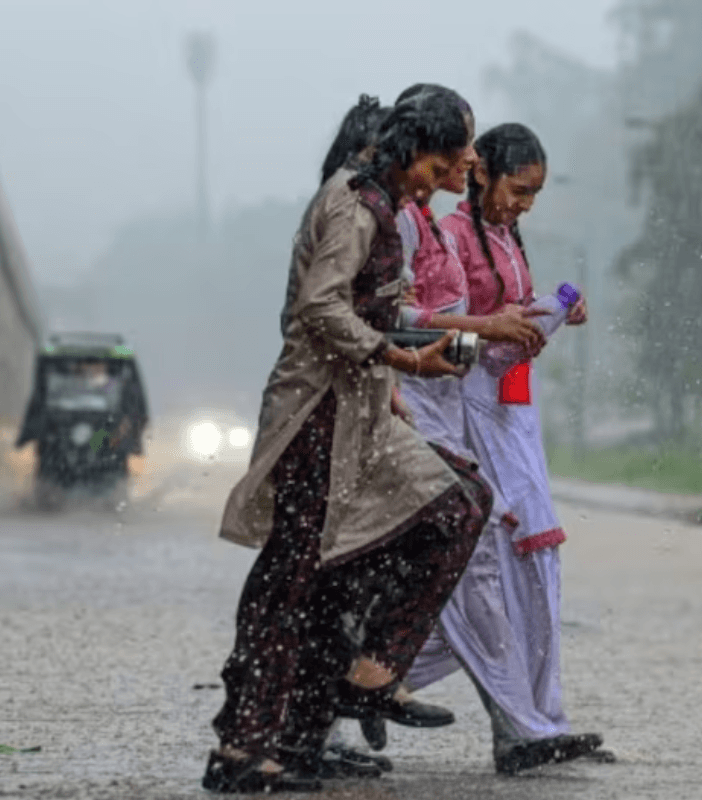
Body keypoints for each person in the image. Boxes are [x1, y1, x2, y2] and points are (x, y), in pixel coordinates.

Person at [203, 91, 492, 794]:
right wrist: (403, 362)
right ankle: (245, 749)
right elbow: (318, 307)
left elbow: (371, 309)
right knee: (293, 580)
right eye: (439, 162)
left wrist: (397, 371)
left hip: (361, 412)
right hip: (316, 418)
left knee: (455, 505)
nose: (443, 176)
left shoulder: (385, 205)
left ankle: (363, 680)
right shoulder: (356, 205)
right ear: (406, 149)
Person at [406, 122, 606, 774]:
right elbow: (440, 331)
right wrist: (497, 332)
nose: (524, 205)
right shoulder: (446, 237)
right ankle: (517, 722)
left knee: (533, 569)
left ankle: (540, 720)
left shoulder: (500, 237)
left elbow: (504, 318)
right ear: (481, 172)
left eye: (534, 196)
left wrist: (546, 311)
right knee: (494, 568)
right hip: (466, 413)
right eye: (519, 190)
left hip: (514, 412)